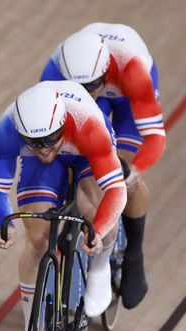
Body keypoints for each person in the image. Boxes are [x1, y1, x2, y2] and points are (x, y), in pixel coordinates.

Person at [0, 81, 127, 331]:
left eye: (50, 139)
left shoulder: (90, 126)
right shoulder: (6, 132)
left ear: (62, 124)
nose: (43, 148)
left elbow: (117, 192)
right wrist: (5, 224)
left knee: (93, 210)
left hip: (86, 153)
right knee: (37, 239)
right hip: (48, 166)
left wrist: (98, 230)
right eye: (35, 142)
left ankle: (100, 268)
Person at [40, 23, 165, 309]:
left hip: (122, 103)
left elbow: (155, 137)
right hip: (78, 108)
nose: (84, 93)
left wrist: (135, 171)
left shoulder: (131, 71)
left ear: (105, 72)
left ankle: (133, 254)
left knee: (122, 174)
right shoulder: (55, 71)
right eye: (76, 87)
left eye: (91, 86)